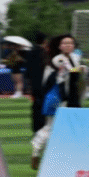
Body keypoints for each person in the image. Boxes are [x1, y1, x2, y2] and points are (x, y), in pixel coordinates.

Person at [30, 34, 71, 169]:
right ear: (59, 46)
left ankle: (43, 152)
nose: (69, 46)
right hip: (56, 97)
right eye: (65, 43)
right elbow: (70, 71)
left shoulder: (60, 59)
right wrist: (82, 68)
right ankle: (37, 148)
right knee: (50, 127)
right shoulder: (60, 59)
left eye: (71, 43)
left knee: (54, 127)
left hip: (55, 96)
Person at [26, 33, 49, 133]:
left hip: (34, 83)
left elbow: (28, 70)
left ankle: (35, 127)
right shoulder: (44, 53)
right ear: (44, 41)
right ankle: (42, 126)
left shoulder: (30, 52)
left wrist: (29, 84)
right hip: (43, 83)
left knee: (35, 105)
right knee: (43, 104)